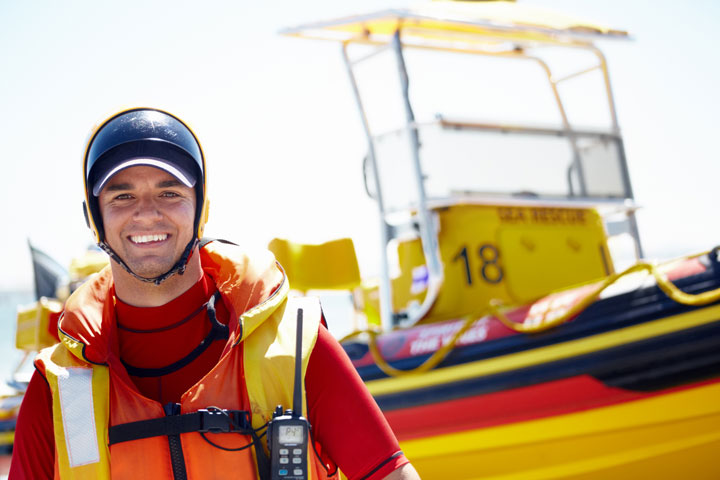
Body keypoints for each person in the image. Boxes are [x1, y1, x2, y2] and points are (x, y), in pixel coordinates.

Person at [10, 108, 421, 480]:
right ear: (94, 219)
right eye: (122, 196)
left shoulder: (294, 350)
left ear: (201, 209)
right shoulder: (59, 390)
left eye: (170, 192)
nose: (147, 212)